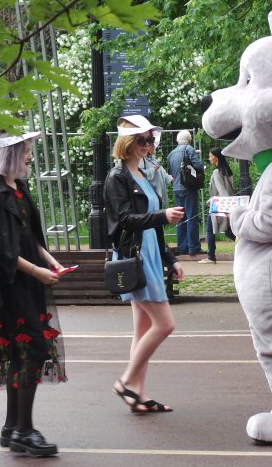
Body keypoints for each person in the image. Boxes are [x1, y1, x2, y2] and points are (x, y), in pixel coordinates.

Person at [0, 129, 67, 457]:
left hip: (25, 284)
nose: (30, 156)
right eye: (25, 150)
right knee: (32, 350)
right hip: (11, 287)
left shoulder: (16, 189)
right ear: (10, 154)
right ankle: (23, 431)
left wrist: (50, 261)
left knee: (22, 354)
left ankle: (13, 426)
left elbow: (29, 237)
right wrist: (37, 271)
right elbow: (1, 254)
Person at [105, 115, 185, 414]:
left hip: (148, 254)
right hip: (135, 257)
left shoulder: (142, 173)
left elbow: (152, 226)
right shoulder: (117, 177)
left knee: (142, 330)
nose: (147, 145)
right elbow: (124, 220)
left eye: (150, 140)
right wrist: (163, 215)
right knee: (164, 324)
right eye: (141, 139)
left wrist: (170, 259)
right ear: (127, 142)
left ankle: (136, 394)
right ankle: (125, 381)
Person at [167, 130, 203, 255]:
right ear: (189, 140)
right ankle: (194, 247)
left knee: (181, 218)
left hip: (176, 188)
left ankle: (182, 247)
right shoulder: (189, 149)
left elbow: (170, 172)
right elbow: (198, 165)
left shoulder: (171, 154)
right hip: (188, 187)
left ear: (177, 140)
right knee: (192, 217)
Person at [200, 148, 236, 264]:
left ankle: (211, 257)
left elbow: (221, 190)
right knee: (227, 231)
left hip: (219, 205)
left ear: (216, 157)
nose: (209, 158)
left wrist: (213, 200)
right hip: (227, 204)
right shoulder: (227, 171)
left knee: (210, 230)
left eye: (210, 156)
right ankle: (245, 244)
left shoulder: (216, 172)